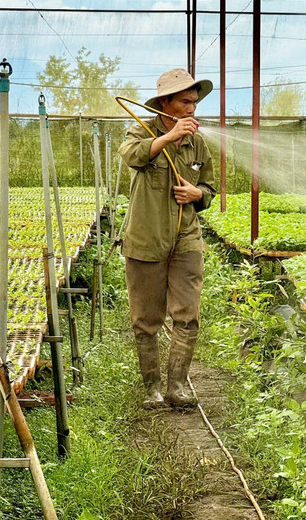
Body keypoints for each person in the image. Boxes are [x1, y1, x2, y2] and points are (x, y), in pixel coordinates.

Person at [117, 68, 216, 408]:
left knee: (187, 313)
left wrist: (197, 194)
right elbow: (131, 155)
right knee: (146, 318)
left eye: (195, 102)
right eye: (186, 102)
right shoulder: (140, 130)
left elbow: (209, 189)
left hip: (186, 238)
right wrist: (168, 137)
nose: (192, 109)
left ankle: (177, 386)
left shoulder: (198, 142)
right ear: (166, 103)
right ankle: (151, 389)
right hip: (146, 239)